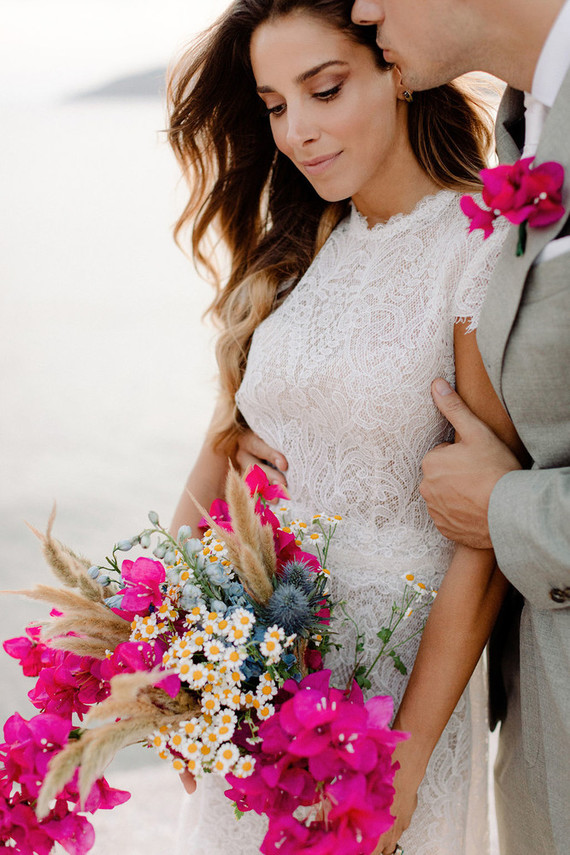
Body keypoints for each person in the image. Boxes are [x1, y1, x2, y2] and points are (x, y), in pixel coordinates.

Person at [167, 1, 524, 853]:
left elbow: (482, 545)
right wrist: (165, 640)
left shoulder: (478, 245)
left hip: (393, 685)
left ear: (397, 69)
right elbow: (224, 443)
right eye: (276, 105)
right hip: (261, 672)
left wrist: (396, 777)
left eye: (323, 90)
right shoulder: (303, 240)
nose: (296, 132)